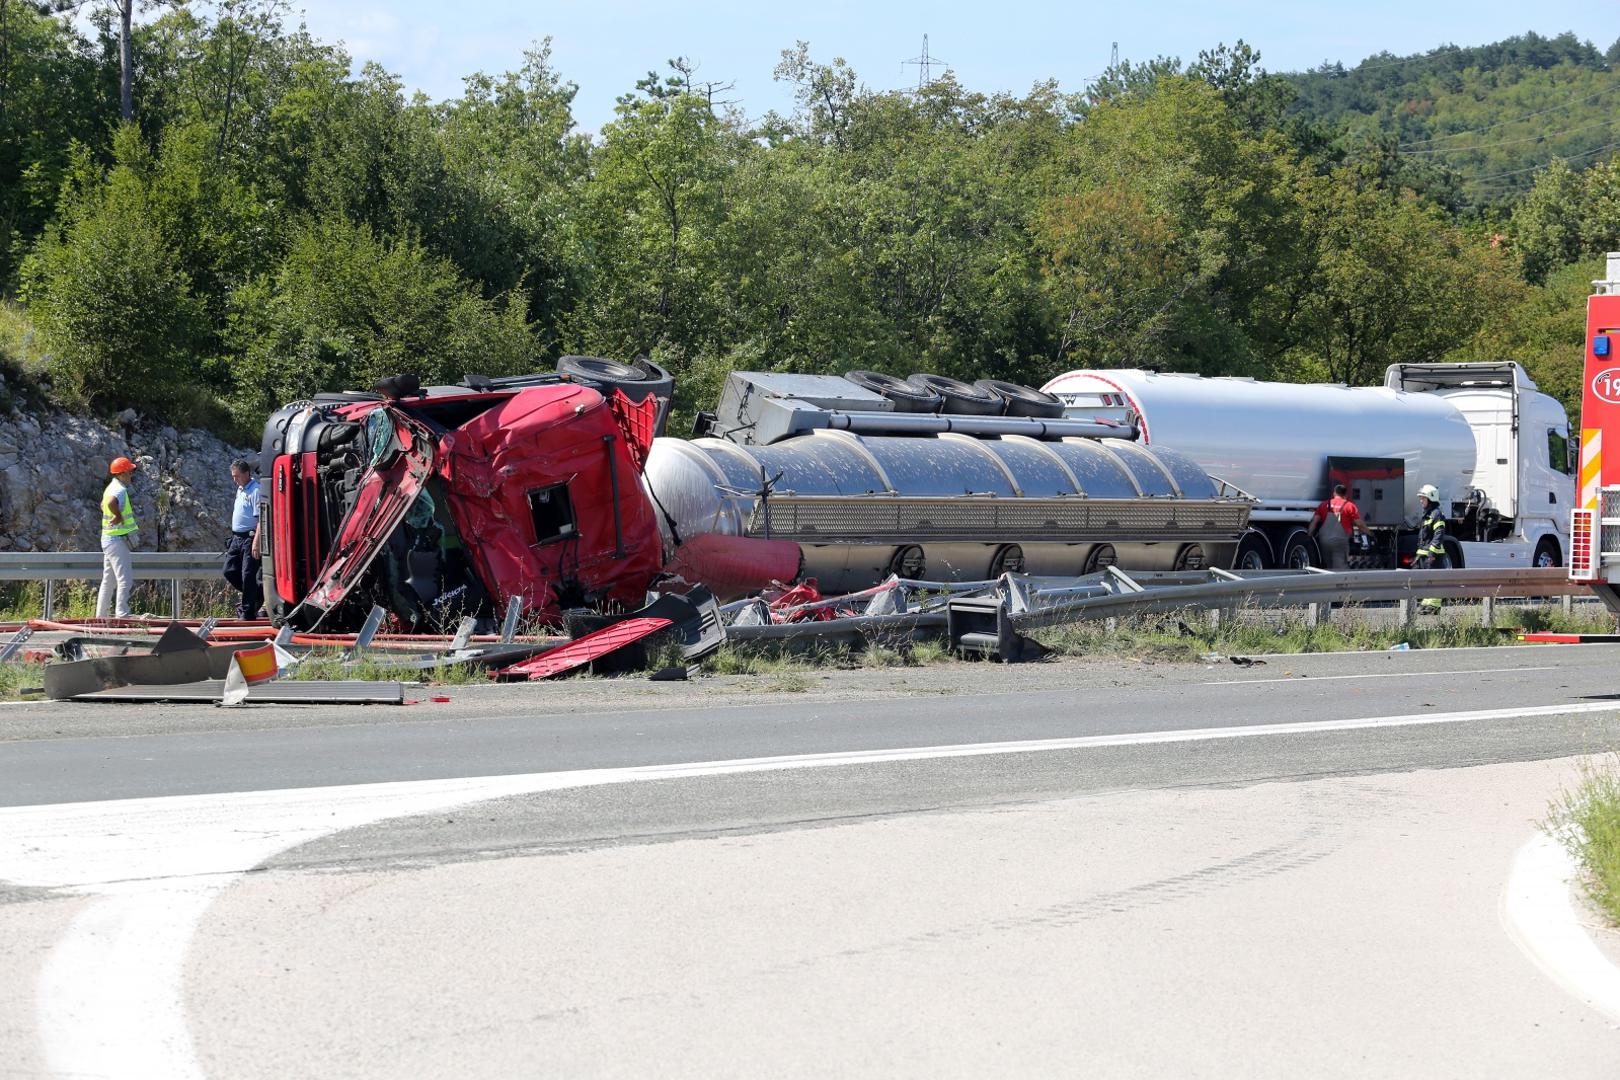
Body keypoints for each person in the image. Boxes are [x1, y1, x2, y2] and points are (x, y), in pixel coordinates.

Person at [98, 456, 139, 619]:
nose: (131, 476)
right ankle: (122, 613)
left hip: (108, 538)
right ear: (121, 474)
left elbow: (103, 504)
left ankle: (100, 615)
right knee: (125, 579)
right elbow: (109, 504)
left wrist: (115, 515)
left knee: (108, 580)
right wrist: (118, 516)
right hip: (117, 539)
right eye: (129, 473)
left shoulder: (111, 487)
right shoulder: (120, 490)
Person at [223, 458, 264, 620]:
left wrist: (256, 542)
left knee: (248, 575)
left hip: (250, 537)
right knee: (229, 571)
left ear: (247, 473)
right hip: (236, 538)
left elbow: (261, 518)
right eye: (233, 476)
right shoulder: (240, 489)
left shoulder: (256, 491)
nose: (235, 480)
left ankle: (247, 612)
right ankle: (258, 593)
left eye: (237, 476)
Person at [1308, 482, 1370, 571]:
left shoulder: (1324, 505)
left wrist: (1309, 535)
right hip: (1340, 542)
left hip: (1324, 541)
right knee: (1340, 568)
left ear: (1334, 493)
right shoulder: (1349, 506)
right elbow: (1359, 523)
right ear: (1346, 495)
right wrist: (1369, 532)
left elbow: (1314, 521)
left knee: (1327, 568)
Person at [1412, 483, 1448, 611]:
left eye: (1423, 498)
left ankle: (1434, 605)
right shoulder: (1427, 514)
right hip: (1425, 554)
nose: (1420, 500)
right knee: (1427, 580)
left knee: (1434, 580)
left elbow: (1439, 534)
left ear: (1431, 498)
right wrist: (1419, 555)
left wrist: (1432, 553)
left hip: (1434, 554)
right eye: (1420, 498)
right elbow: (1424, 537)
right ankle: (1427, 602)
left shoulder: (1437, 514)